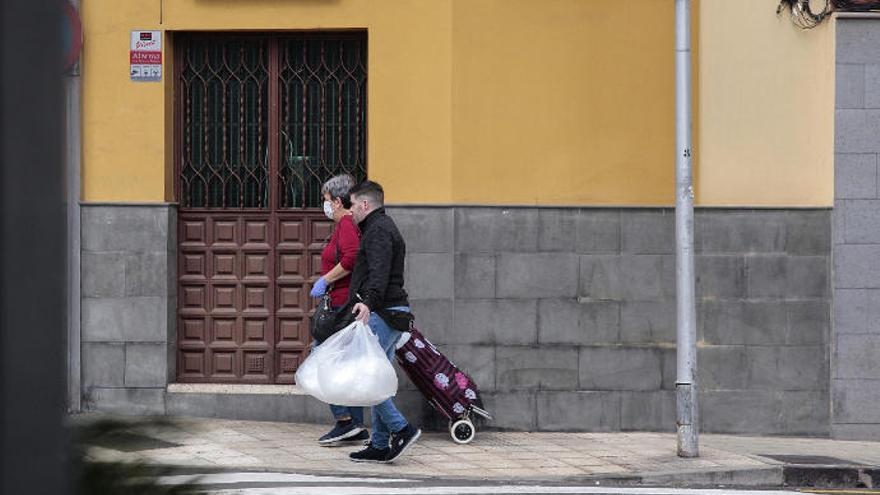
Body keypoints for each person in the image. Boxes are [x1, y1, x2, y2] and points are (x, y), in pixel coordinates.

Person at [346, 180, 422, 464]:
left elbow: (378, 274)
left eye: (353, 205)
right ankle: (379, 444)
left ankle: (401, 429)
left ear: (365, 205)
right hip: (390, 311)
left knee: (367, 378)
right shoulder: (381, 227)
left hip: (383, 313)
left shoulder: (378, 231)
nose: (350, 210)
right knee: (376, 378)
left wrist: (367, 302)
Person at [309, 174, 367, 447]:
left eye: (327, 199)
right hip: (341, 304)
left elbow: (352, 257)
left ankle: (344, 420)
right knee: (344, 365)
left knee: (322, 358)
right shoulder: (344, 225)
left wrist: (326, 280)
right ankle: (354, 426)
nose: (325, 205)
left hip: (341, 306)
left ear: (339, 200)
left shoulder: (345, 223)